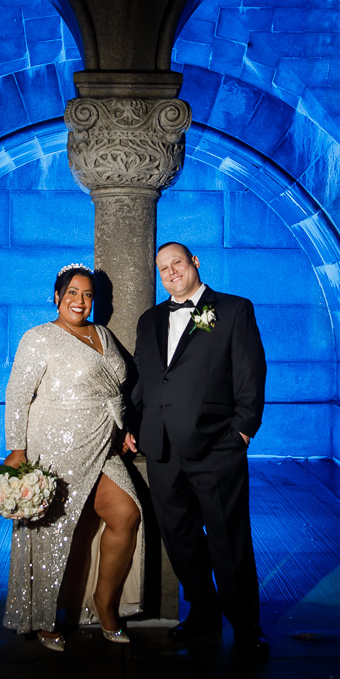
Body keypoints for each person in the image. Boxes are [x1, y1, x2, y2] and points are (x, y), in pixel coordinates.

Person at [127, 241, 269, 657]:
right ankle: (203, 610)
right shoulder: (150, 319)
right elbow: (143, 380)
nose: (171, 272)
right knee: (180, 536)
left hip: (215, 447)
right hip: (162, 448)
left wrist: (242, 433)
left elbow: (251, 373)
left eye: (177, 263)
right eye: (163, 268)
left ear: (195, 262)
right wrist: (132, 426)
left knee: (228, 537)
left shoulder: (233, 310)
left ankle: (245, 623)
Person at [2, 264, 143, 651]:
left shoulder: (102, 334)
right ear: (57, 297)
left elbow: (113, 390)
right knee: (52, 533)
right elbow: (18, 394)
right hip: (56, 444)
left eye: (87, 294)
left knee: (126, 514)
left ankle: (105, 604)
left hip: (102, 443)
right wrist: (17, 449)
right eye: (72, 293)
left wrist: (123, 428)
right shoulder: (39, 337)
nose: (80, 301)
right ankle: (43, 617)